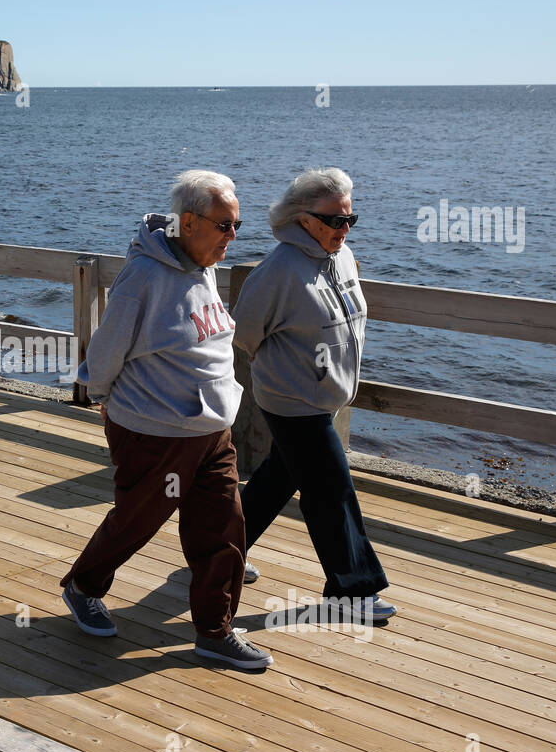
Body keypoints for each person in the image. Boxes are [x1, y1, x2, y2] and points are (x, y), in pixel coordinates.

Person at [61, 170, 273, 670]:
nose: (233, 237)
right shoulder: (145, 275)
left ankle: (215, 632)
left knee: (224, 527)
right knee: (138, 519)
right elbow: (109, 347)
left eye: (237, 226)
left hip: (212, 429)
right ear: (190, 222)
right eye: (225, 226)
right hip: (154, 429)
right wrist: (103, 398)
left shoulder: (201, 260)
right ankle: (84, 585)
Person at [231, 167, 396, 622]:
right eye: (334, 220)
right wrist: (293, 368)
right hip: (292, 400)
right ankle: (352, 591)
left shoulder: (342, 257)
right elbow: (245, 332)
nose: (344, 229)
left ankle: (216, 552)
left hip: (327, 398)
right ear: (303, 219)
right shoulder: (278, 271)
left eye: (350, 219)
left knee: (275, 482)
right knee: (332, 490)